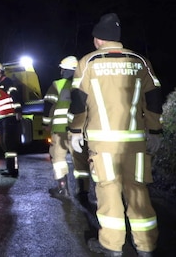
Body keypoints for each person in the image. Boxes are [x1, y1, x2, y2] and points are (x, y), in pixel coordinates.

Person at [68, 13, 163, 257]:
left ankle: (112, 246)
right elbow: (153, 98)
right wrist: (154, 130)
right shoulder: (141, 61)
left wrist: (75, 131)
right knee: (138, 192)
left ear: (98, 39)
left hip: (104, 144)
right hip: (135, 143)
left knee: (108, 192)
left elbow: (79, 102)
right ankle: (146, 246)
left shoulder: (88, 63)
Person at [43, 55, 90, 200]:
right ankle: (83, 191)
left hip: (60, 130)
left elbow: (48, 105)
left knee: (58, 159)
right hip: (79, 129)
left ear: (64, 70)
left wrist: (46, 123)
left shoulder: (57, 84)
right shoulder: (84, 85)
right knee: (80, 160)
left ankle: (63, 189)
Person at [0, 61, 22, 177]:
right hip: (1, 118)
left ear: (0, 71)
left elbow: (15, 96)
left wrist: (18, 111)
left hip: (9, 117)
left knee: (10, 144)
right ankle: (9, 168)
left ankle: (13, 170)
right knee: (4, 144)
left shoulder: (7, 82)